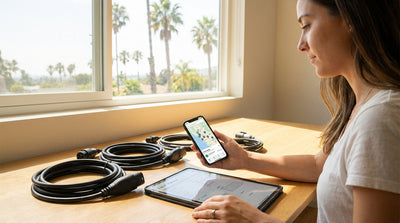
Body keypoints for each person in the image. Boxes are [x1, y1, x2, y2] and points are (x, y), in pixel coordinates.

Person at [191, 0, 400, 222]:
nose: (300, 45)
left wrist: (255, 219)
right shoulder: (364, 106)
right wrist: (245, 159)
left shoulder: (381, 118)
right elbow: (319, 166)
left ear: (350, 19)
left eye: (307, 25)